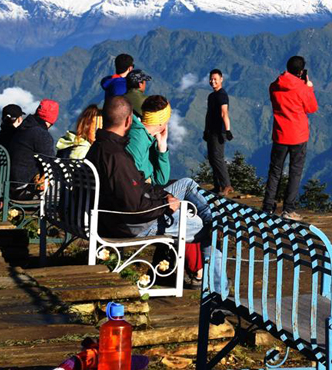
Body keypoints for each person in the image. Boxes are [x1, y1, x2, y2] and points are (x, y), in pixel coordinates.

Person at [91, 96, 222, 290]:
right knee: (203, 228)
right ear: (128, 121)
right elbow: (134, 204)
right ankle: (218, 294)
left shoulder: (100, 148)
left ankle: (213, 222)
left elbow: (139, 186)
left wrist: (163, 194)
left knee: (187, 185)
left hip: (114, 215)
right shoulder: (118, 156)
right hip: (130, 223)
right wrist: (164, 205)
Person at [125, 95, 213, 229]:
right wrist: (163, 200)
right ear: (162, 121)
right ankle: (212, 227)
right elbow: (132, 187)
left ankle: (212, 222)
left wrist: (162, 147)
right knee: (199, 226)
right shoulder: (137, 140)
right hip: (140, 214)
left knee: (188, 184)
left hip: (148, 197)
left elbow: (161, 179)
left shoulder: (147, 137)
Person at [263, 56, 318, 219]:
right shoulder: (302, 88)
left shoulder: (274, 86)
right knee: (295, 172)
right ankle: (288, 209)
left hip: (280, 134)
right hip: (298, 136)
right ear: (301, 72)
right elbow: (312, 107)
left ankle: (267, 207)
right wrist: (309, 88)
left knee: (275, 172)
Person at [7, 100, 59, 199]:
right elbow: (50, 164)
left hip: (10, 184)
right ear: (53, 119)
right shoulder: (41, 134)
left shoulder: (24, 127)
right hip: (23, 188)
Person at [203, 69, 234, 197]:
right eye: (211, 79)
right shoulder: (211, 96)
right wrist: (206, 130)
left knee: (217, 158)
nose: (213, 81)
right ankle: (218, 185)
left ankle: (227, 185)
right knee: (212, 158)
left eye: (215, 79)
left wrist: (227, 130)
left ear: (221, 79)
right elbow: (208, 114)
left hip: (218, 132)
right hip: (211, 131)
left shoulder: (222, 95)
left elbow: (224, 112)